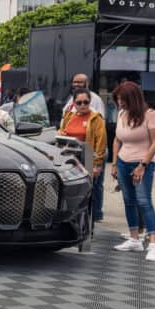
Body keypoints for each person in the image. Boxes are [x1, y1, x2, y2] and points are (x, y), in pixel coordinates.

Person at [110, 81, 155, 261]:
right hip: (124, 162)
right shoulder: (121, 114)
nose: (120, 102)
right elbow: (117, 140)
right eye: (118, 99)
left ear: (134, 99)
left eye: (123, 99)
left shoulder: (150, 115)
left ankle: (154, 244)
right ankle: (134, 239)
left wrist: (143, 165)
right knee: (128, 200)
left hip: (143, 162)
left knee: (144, 200)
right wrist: (115, 163)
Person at [58, 87, 107, 222]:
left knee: (88, 194)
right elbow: (62, 131)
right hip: (69, 158)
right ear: (74, 104)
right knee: (70, 191)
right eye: (79, 103)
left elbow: (101, 142)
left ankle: (88, 224)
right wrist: (60, 135)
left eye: (86, 102)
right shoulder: (69, 116)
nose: (83, 105)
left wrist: (97, 164)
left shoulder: (96, 119)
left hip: (87, 156)